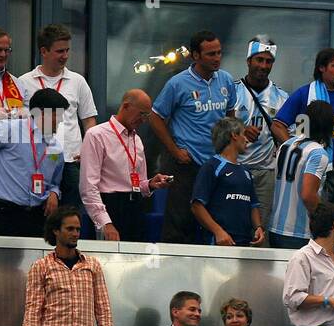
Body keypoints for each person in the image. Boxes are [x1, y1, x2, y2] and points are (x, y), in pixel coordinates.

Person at [148, 30, 237, 243]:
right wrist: (175, 150)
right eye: (210, 54)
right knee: (180, 223)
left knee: (216, 220)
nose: (217, 58)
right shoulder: (177, 83)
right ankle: (174, 271)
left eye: (219, 53)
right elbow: (155, 117)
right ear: (195, 55)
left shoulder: (225, 80)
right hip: (187, 164)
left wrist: (231, 146)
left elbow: (231, 114)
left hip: (216, 165)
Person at [23, 206, 114, 326]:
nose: (75, 233)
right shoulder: (41, 266)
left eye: (78, 229)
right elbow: (33, 307)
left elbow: (102, 305)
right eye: (70, 229)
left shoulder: (92, 265)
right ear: (56, 230)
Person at [18, 23, 99, 221]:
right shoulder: (23, 82)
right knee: (38, 216)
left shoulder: (78, 81)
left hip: (71, 161)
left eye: (67, 50)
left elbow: (89, 121)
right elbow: (19, 123)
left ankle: (65, 253)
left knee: (70, 219)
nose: (65, 56)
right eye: (59, 51)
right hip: (38, 161)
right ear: (44, 51)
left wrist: (88, 150)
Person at [0, 87, 67, 237]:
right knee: (0, 260)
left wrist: (54, 193)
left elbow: (56, 181)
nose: (61, 120)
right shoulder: (10, 129)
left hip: (37, 217)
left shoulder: (55, 147)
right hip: (4, 213)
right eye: (59, 115)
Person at [273, 48, 334, 207]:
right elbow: (278, 125)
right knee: (321, 223)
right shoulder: (305, 94)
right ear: (321, 67)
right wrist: (297, 150)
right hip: (318, 171)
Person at [80, 89, 170, 242]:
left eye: (147, 116)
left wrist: (150, 184)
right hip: (109, 206)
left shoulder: (137, 140)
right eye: (141, 114)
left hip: (134, 208)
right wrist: (105, 223)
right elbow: (88, 187)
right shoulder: (96, 135)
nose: (143, 120)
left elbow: (138, 184)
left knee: (133, 262)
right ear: (126, 106)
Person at [229, 36, 288, 233]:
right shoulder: (232, 91)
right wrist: (241, 130)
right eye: (259, 60)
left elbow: (289, 137)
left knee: (260, 227)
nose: (263, 65)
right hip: (235, 169)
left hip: (266, 173)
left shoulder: (282, 97)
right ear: (248, 61)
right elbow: (218, 127)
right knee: (233, 223)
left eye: (268, 61)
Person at [267, 99, 331, 250]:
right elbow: (308, 195)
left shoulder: (286, 145)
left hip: (275, 227)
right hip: (299, 232)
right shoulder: (317, 153)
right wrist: (324, 220)